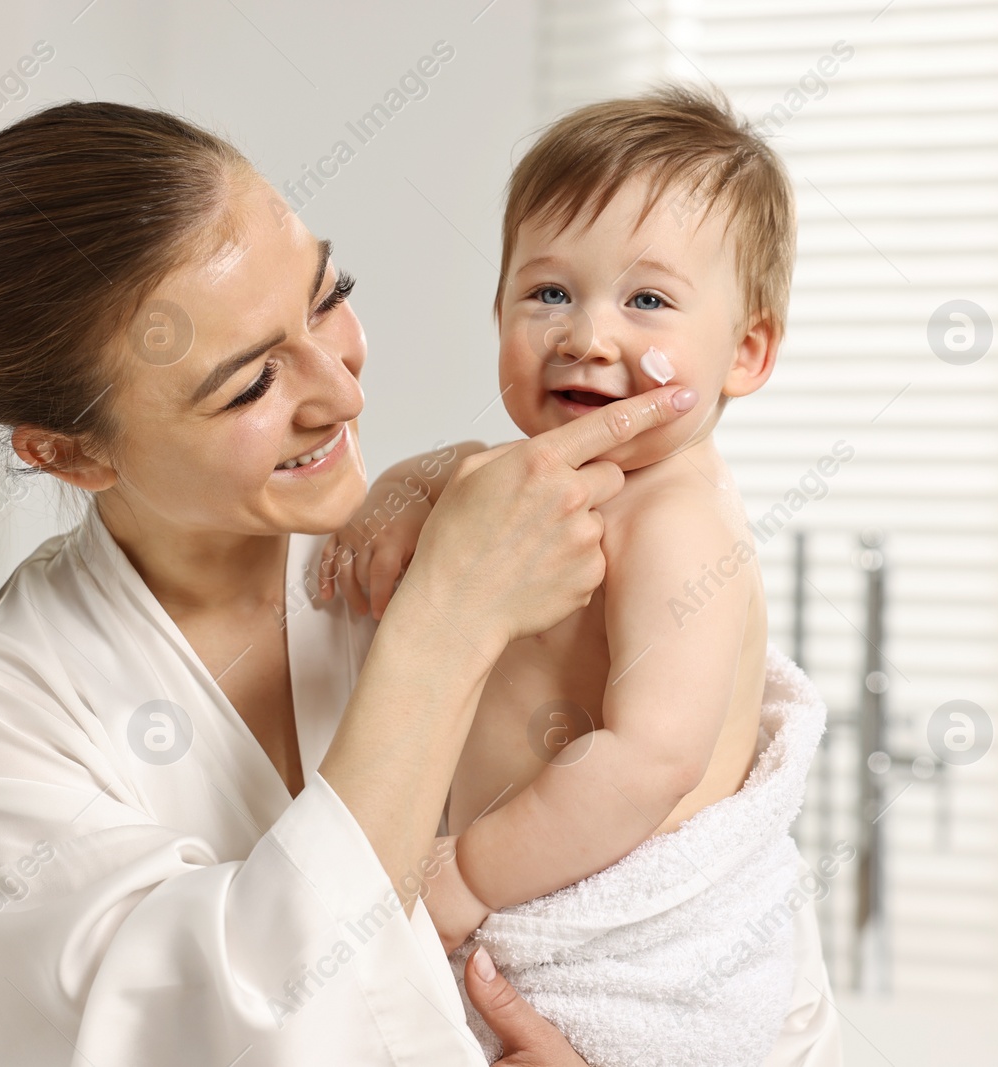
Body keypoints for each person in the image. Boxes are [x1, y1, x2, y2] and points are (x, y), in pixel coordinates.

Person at [0, 101, 699, 1067]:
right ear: (70, 453)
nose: (342, 393)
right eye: (250, 385)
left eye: (327, 294)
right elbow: (212, 1029)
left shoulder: (477, 542)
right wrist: (447, 626)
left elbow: (716, 895)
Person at [323, 88, 843, 1066]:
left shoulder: (676, 520)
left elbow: (650, 756)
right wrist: (400, 485)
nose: (586, 334)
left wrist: (471, 872)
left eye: (645, 299)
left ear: (747, 350)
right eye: (549, 292)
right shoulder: (525, 478)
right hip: (524, 898)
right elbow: (462, 470)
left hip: (611, 948)